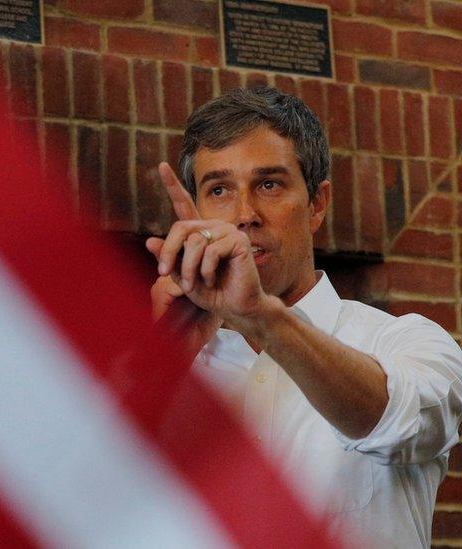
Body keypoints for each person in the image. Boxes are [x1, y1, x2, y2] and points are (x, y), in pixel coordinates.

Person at [146, 86, 462, 547]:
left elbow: (400, 423)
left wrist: (262, 318)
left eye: (269, 184)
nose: (244, 215)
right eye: (218, 190)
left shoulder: (406, 342)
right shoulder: (172, 356)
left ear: (317, 203)